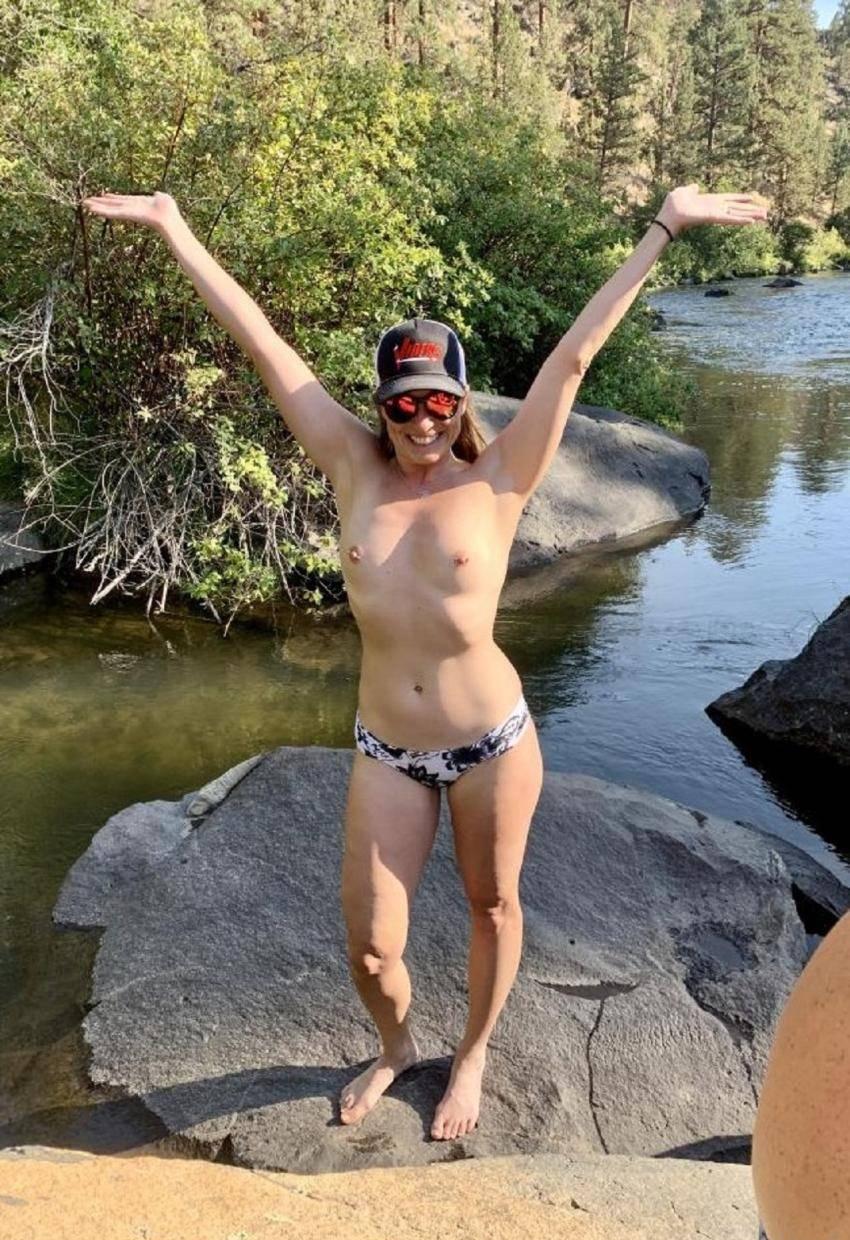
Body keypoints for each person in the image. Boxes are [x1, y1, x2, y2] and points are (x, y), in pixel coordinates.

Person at [82, 182, 767, 1140]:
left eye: (441, 400)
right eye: (405, 403)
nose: (423, 420)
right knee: (371, 948)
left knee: (493, 905)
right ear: (383, 405)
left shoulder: (502, 476)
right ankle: (398, 1046)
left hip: (491, 741)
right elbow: (263, 346)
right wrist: (173, 225)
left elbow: (574, 357)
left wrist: (664, 226)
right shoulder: (351, 465)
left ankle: (473, 1054)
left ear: (460, 400)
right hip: (388, 749)